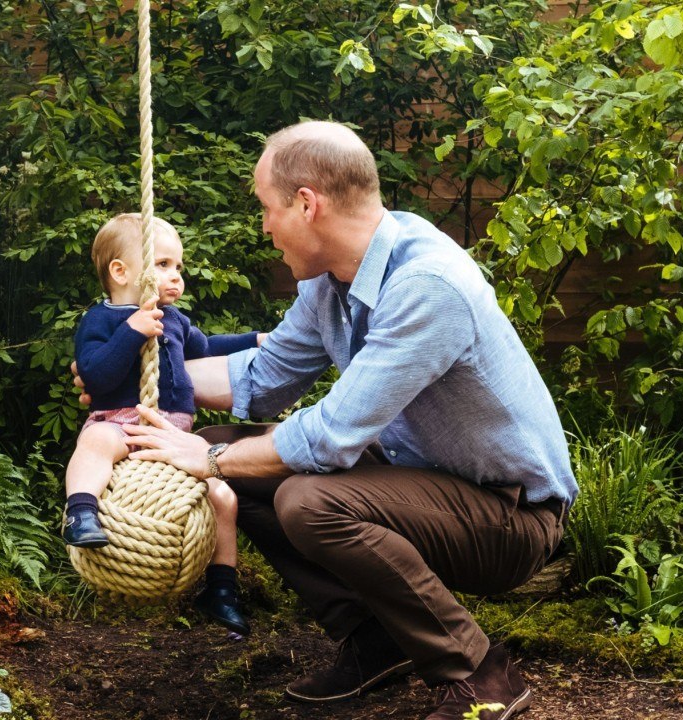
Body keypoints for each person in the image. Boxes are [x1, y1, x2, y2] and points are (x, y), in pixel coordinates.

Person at [96, 121, 579, 720]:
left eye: (267, 209)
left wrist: (211, 459)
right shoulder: (333, 280)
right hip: (420, 479)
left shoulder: (426, 285)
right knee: (222, 450)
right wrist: (119, 377)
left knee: (305, 498)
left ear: (306, 204)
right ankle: (375, 639)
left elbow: (331, 435)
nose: (265, 226)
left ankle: (480, 674)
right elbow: (263, 376)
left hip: (508, 516)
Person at [64, 212, 263, 636]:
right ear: (120, 272)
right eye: (163, 264)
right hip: (122, 424)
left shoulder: (173, 319)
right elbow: (96, 375)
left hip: (173, 436)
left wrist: (255, 339)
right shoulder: (100, 321)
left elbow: (207, 347)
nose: (176, 277)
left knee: (222, 496)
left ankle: (222, 588)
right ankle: (80, 512)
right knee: (96, 440)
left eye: (179, 267)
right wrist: (132, 332)